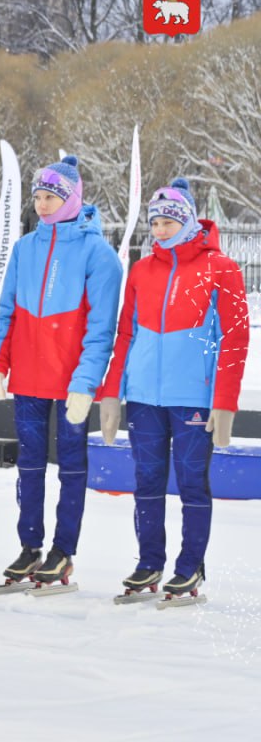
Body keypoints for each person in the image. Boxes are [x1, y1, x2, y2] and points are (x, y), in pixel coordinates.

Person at [97, 178, 250, 598]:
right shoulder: (143, 270)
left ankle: (190, 566)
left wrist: (224, 402)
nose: (159, 230)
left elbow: (234, 341)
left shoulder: (222, 269)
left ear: (185, 223)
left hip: (193, 399)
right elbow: (125, 335)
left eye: (167, 221)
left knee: (191, 483)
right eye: (155, 223)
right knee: (146, 481)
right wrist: (112, 393)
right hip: (145, 397)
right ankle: (149, 563)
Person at [0, 156, 122, 587]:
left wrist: (85, 384)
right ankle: (30, 547)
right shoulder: (25, 248)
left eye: (50, 197)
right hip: (27, 378)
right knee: (28, 466)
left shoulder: (98, 254)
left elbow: (102, 329)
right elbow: (6, 311)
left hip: (70, 384)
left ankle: (63, 550)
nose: (42, 205)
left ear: (71, 198)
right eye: (38, 197)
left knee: (70, 466)